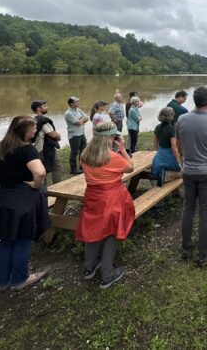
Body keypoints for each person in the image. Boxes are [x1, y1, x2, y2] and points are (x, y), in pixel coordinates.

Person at [0, 116, 49, 292]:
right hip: (23, 199)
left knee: (6, 240)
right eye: (33, 128)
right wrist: (36, 185)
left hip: (2, 199)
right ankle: (20, 279)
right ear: (25, 131)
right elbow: (40, 172)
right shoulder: (27, 150)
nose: (35, 131)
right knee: (22, 240)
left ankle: (4, 281)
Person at [77, 122, 135, 290]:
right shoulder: (113, 157)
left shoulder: (85, 155)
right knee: (111, 233)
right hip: (111, 198)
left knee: (93, 230)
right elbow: (130, 168)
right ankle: (107, 274)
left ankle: (89, 267)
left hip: (93, 197)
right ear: (110, 138)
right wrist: (123, 149)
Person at [176, 86, 207, 266]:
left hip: (188, 171)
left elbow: (180, 144)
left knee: (188, 208)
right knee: (205, 210)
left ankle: (186, 247)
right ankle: (203, 254)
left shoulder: (181, 119)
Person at [31, 100, 62, 184]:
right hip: (46, 149)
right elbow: (53, 135)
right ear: (38, 108)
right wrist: (58, 136)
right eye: (44, 106)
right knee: (56, 167)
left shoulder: (33, 120)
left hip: (37, 148)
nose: (47, 107)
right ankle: (57, 188)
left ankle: (42, 190)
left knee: (41, 169)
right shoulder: (43, 121)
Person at [151, 107, 183, 186]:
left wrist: (158, 151)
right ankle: (165, 176)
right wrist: (178, 160)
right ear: (171, 117)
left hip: (160, 155)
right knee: (181, 172)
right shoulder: (171, 129)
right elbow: (173, 146)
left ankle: (164, 175)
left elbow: (155, 141)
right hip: (169, 155)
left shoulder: (157, 127)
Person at [65, 96, 89, 175]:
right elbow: (78, 123)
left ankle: (82, 166)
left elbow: (87, 118)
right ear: (71, 104)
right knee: (74, 152)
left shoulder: (78, 110)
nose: (78, 103)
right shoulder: (68, 113)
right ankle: (73, 169)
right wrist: (81, 120)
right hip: (74, 135)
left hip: (81, 133)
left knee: (83, 151)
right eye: (76, 102)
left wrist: (81, 120)